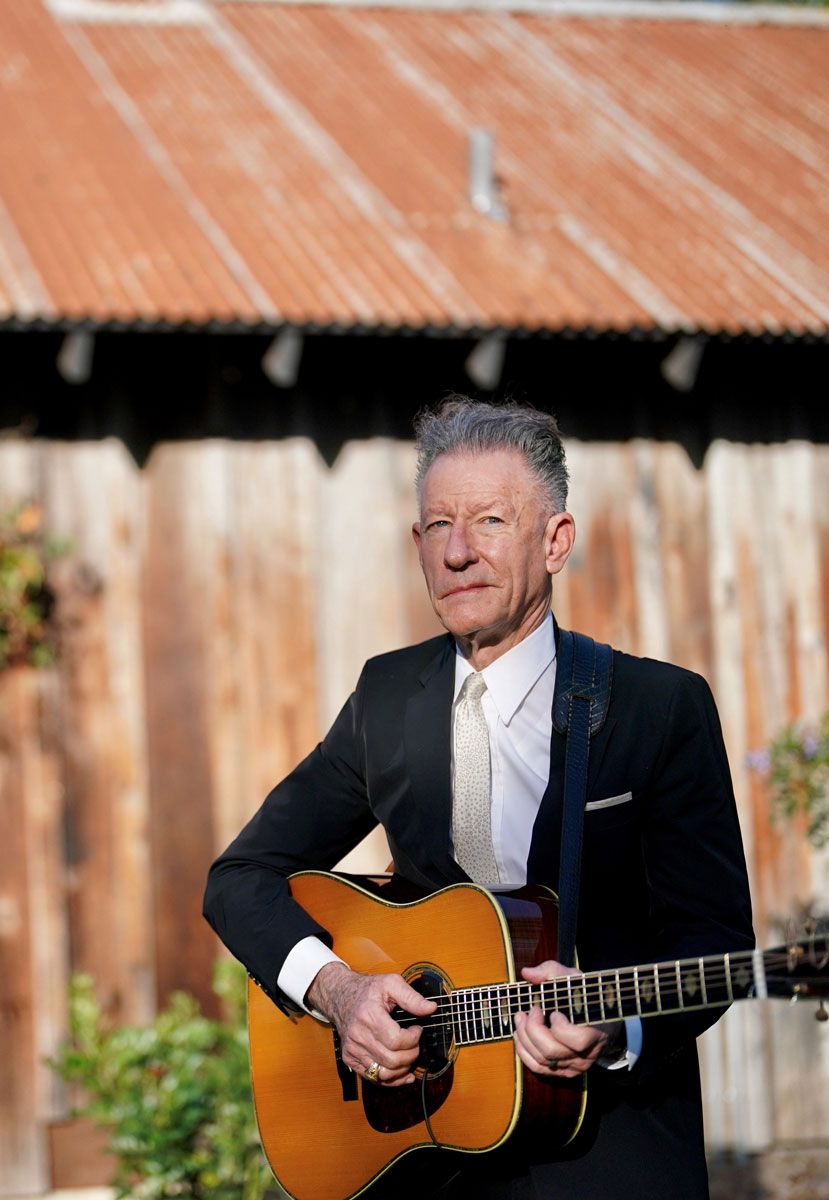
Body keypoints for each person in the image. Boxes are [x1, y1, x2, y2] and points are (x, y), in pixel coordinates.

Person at [203, 398, 753, 1198]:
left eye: (491, 521)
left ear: (555, 541)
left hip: (608, 1157)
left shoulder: (657, 708)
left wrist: (617, 1027)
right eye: (436, 527)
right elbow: (240, 876)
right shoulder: (385, 698)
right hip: (424, 1153)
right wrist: (339, 990)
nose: (458, 552)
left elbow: (717, 945)